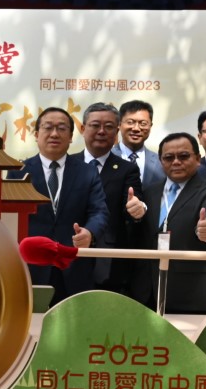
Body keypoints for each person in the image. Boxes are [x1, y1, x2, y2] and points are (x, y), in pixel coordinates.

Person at [11, 107, 107, 302]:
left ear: (71, 136)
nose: (54, 133)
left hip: (73, 264)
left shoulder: (87, 172)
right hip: (32, 266)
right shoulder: (18, 172)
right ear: (37, 135)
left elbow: (100, 211)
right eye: (48, 128)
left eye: (62, 128)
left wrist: (90, 232)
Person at [146, 132, 206, 314]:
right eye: (168, 157)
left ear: (198, 159)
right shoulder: (149, 192)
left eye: (183, 156)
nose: (176, 162)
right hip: (145, 291)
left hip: (188, 291)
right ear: (161, 161)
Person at [78, 102, 148, 296]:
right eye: (95, 125)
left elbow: (136, 202)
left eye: (109, 127)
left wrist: (138, 208)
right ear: (83, 129)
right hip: (70, 254)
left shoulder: (127, 169)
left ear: (116, 132)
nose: (102, 131)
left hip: (108, 261)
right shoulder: (69, 164)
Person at [114, 100, 156, 190]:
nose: (136, 128)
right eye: (130, 122)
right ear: (119, 124)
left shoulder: (161, 162)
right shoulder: (105, 158)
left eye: (143, 124)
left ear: (150, 126)